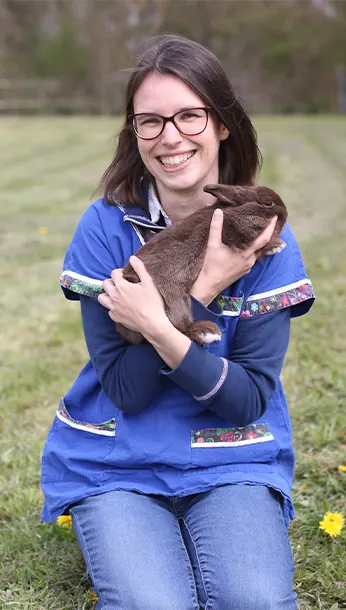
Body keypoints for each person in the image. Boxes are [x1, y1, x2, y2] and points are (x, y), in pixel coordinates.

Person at [41, 34, 315, 610]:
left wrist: (167, 320)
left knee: (255, 602)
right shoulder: (106, 229)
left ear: (222, 123)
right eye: (149, 121)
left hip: (231, 454)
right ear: (133, 133)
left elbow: (244, 403)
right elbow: (127, 390)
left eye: (190, 115)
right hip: (119, 458)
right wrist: (202, 288)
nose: (170, 136)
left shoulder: (265, 239)